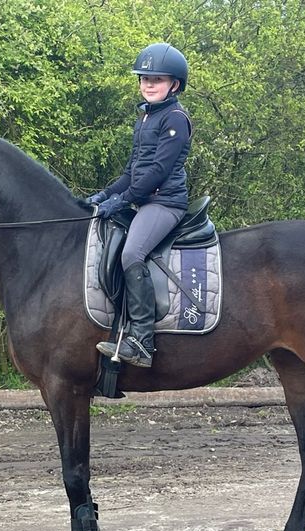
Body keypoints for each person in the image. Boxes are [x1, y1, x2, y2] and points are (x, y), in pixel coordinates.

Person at [87, 42, 192, 368]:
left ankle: (141, 342)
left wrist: (123, 200)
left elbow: (158, 171)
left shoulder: (175, 118)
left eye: (157, 79)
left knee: (132, 253)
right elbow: (132, 172)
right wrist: (103, 196)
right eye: (144, 78)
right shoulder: (146, 118)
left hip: (165, 203)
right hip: (144, 200)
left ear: (173, 84)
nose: (148, 84)